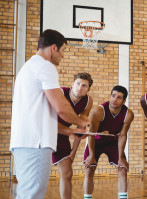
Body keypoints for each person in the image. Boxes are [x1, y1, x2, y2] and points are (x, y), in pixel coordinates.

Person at [10, 29, 89, 199]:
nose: (62, 56)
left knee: (27, 193)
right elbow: (60, 107)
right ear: (54, 48)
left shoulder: (29, 66)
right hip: (35, 143)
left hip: (26, 142)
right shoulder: (45, 66)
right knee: (32, 194)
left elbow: (43, 115)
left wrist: (70, 131)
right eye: (63, 50)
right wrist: (81, 123)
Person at [83, 85, 134, 199]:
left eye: (119, 97)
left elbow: (123, 135)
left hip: (113, 143)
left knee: (122, 169)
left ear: (124, 101)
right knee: (89, 169)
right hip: (96, 142)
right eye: (113, 96)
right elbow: (91, 135)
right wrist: (91, 155)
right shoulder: (98, 111)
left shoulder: (128, 114)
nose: (115, 99)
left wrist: (121, 157)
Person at [52, 72, 94, 199]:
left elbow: (81, 127)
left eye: (84, 86)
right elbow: (46, 119)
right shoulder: (60, 93)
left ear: (88, 89)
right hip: (44, 132)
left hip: (62, 135)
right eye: (78, 84)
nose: (80, 87)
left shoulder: (87, 101)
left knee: (67, 173)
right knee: (37, 175)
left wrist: (74, 151)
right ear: (72, 84)